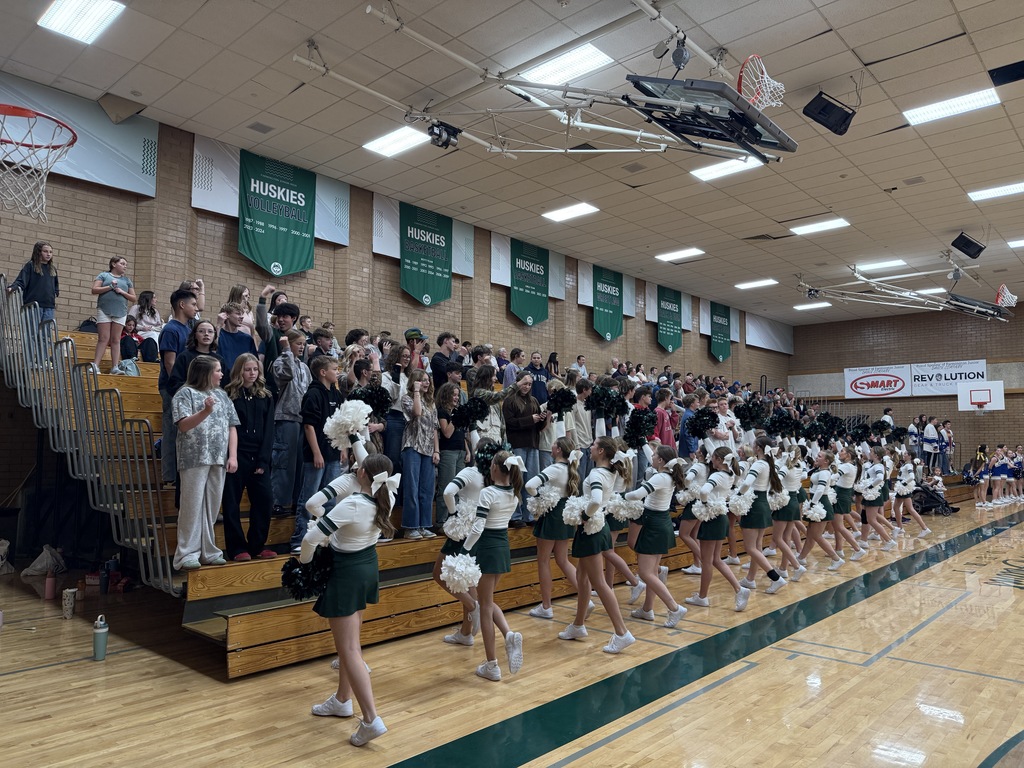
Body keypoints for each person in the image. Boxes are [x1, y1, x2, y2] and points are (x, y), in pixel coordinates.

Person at [302, 453, 395, 747]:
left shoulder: (353, 504)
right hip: (367, 567)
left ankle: (371, 719)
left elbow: (310, 539)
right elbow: (372, 463)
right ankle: (343, 699)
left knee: (350, 649)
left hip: (346, 573)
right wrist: (356, 437)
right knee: (351, 644)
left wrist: (304, 566)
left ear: (362, 473)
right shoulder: (387, 497)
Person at [557, 436, 636, 653]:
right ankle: (578, 625)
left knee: (599, 583)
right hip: (597, 527)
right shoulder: (609, 471)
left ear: (601, 451)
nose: (590, 447)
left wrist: (583, 515)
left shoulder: (596, 474)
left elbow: (595, 500)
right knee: (582, 578)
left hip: (592, 528)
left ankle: (622, 633)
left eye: (593, 445)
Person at [461, 452, 526, 681]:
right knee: (485, 600)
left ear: (497, 468)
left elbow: (478, 528)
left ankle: (492, 664)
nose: (489, 468)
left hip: (487, 549)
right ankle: (508, 635)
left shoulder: (488, 493)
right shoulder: (514, 494)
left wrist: (464, 551)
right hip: (502, 548)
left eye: (491, 465)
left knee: (485, 607)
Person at [171, 356, 238, 570]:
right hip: (194, 458)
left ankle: (208, 551)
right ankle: (186, 554)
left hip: (218, 458)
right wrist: (205, 411)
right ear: (205, 373)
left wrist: (233, 455)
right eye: (217, 370)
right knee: (192, 506)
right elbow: (183, 425)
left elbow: (232, 426)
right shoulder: (185, 393)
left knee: (211, 508)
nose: (221, 374)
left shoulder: (222, 395)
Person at [438, 439, 498, 647]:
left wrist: (453, 513)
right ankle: (465, 632)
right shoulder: (492, 476)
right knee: (467, 579)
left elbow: (448, 492)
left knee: (439, 573)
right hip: (480, 530)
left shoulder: (470, 473)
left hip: (462, 530)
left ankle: (473, 606)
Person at [624, 445, 688, 627]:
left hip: (654, 525)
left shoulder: (660, 477)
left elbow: (638, 494)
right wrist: (643, 441)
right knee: (652, 572)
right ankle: (647, 609)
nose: (651, 456)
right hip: (660, 522)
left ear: (660, 460)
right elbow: (648, 455)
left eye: (654, 455)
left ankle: (674, 608)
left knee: (645, 573)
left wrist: (618, 497)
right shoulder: (667, 475)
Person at [222, 354, 276, 561]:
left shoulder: (266, 395)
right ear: (239, 371)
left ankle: (257, 545)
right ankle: (236, 548)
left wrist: (263, 459)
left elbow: (269, 429)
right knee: (231, 502)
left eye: (255, 369)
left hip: (259, 456)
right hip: (235, 455)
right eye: (247, 369)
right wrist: (231, 455)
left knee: (265, 500)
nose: (252, 373)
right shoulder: (229, 395)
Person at [685, 447, 750, 611]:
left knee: (707, 561)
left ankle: (703, 597)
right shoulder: (730, 474)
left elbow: (704, 491)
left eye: (713, 457)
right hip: (721, 517)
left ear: (719, 460)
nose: (710, 459)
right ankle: (739, 589)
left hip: (713, 518)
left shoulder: (717, 475)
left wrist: (705, 504)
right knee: (715, 559)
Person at [291, 355, 344, 554]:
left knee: (330, 499)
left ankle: (327, 538)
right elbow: (308, 426)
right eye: (334, 369)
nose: (337, 372)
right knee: (309, 497)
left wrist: (343, 448)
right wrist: (316, 453)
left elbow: (342, 424)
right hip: (316, 455)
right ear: (323, 372)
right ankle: (299, 538)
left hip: (333, 454)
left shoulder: (337, 394)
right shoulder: (313, 394)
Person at [525, 437, 581, 619]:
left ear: (559, 450)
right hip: (564, 513)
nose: (551, 446)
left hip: (552, 513)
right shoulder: (570, 468)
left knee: (543, 560)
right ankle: (585, 598)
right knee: (563, 560)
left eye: (554, 444)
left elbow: (529, 485)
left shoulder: (555, 468)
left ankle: (546, 606)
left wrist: (539, 499)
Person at [733, 437, 790, 594]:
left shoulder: (759, 464)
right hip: (762, 504)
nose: (752, 446)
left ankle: (776, 578)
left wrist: (738, 495)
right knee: (757, 546)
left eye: (753, 444)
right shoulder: (767, 463)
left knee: (750, 548)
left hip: (754, 505)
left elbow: (746, 483)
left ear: (758, 448)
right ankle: (750, 579)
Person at [158, 288, 199, 485]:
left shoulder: (188, 329)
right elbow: (170, 363)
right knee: (171, 431)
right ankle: (169, 477)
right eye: (193, 304)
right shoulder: (171, 330)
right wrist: (180, 389)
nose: (196, 308)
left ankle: (180, 474)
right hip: (172, 389)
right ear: (182, 305)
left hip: (187, 388)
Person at [271, 329, 312, 519]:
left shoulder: (304, 367)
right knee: (284, 462)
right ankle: (278, 501)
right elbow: (286, 374)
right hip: (286, 417)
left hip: (302, 418)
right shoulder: (281, 361)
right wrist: (286, 350)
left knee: (301, 464)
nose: (302, 347)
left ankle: (297, 500)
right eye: (298, 343)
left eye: (303, 344)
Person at [501, 370, 549, 526]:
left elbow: (538, 427)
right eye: (524, 383)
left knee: (531, 481)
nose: (527, 387)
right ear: (517, 382)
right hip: (517, 444)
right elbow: (509, 423)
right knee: (517, 480)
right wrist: (530, 419)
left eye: (529, 384)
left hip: (532, 444)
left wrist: (542, 419)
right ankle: (515, 516)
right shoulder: (510, 400)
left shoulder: (534, 400)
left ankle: (528, 515)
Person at [400, 369, 439, 539]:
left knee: (427, 489)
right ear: (415, 381)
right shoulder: (407, 398)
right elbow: (417, 413)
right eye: (423, 380)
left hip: (428, 449)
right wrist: (416, 391)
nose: (427, 383)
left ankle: (424, 525)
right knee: (412, 487)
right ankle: (411, 527)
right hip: (412, 446)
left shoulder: (431, 403)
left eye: (428, 380)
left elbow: (434, 428)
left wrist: (436, 450)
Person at [9, 241, 59, 361]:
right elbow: (21, 280)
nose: (48, 254)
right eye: (45, 251)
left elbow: (55, 285)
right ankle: (29, 361)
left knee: (45, 335)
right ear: (38, 252)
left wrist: (55, 293)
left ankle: (42, 361)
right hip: (33, 306)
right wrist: (13, 287)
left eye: (50, 252)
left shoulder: (52, 269)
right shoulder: (30, 266)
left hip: (48, 306)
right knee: (31, 334)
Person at [90, 256, 136, 374]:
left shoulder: (127, 280)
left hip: (120, 312)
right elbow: (94, 290)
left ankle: (115, 367)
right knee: (103, 338)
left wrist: (122, 292)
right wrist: (110, 287)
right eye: (122, 264)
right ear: (114, 264)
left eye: (126, 265)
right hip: (104, 310)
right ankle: (95, 365)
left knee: (116, 339)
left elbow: (133, 298)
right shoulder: (104, 276)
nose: (125, 266)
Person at [435, 382, 468, 524]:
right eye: (453, 395)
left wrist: (467, 451)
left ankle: (456, 520)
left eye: (457, 395)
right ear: (446, 395)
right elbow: (447, 433)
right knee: (447, 486)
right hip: (448, 452)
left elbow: (462, 434)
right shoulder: (442, 412)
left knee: (459, 488)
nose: (456, 398)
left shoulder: (457, 412)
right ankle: (442, 521)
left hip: (460, 452)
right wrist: (455, 417)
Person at [167, 320, 228, 396]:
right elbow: (174, 383)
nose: (206, 334)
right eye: (201, 331)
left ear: (214, 335)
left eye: (210, 331)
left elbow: (225, 383)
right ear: (195, 335)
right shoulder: (184, 356)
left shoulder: (219, 359)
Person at [217, 302, 258, 373]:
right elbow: (214, 348)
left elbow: (255, 361)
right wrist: (218, 325)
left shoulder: (247, 339)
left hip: (242, 377)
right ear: (227, 315)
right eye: (238, 314)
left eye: (242, 314)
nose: (241, 317)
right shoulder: (219, 335)